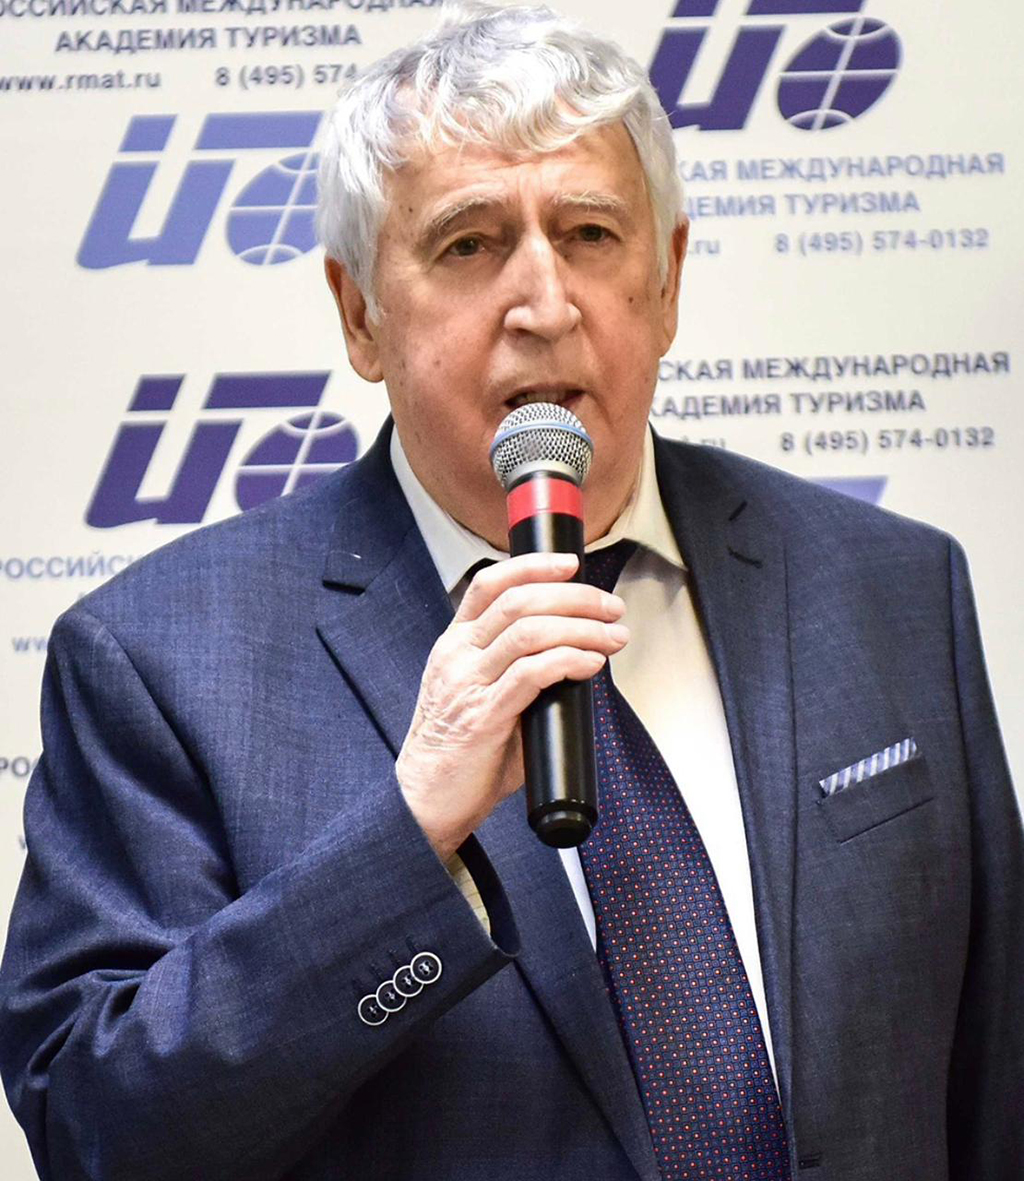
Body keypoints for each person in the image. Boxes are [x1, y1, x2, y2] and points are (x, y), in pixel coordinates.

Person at [1, 3, 1021, 1179]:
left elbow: (993, 1084)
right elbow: (100, 1130)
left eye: (589, 233)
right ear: (360, 314)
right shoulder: (161, 659)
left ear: (667, 280)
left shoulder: (890, 585)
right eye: (468, 245)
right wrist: (404, 841)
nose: (544, 304)